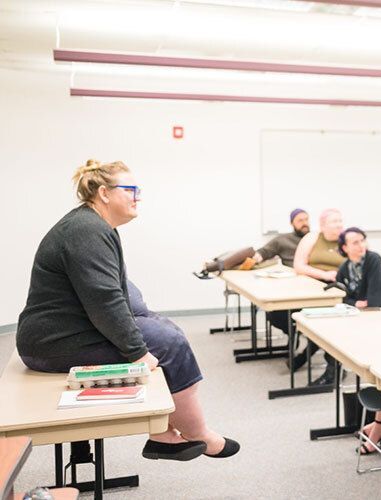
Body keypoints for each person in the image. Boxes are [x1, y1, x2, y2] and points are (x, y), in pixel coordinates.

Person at [17, 159, 238, 461]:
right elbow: (105, 299)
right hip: (52, 343)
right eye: (131, 189)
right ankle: (196, 433)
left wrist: (146, 318)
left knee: (163, 331)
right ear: (105, 193)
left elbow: (117, 289)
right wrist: (137, 351)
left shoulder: (94, 226)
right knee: (167, 343)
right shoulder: (86, 230)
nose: (138, 197)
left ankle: (161, 433)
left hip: (67, 333)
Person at [330, 227, 381, 453]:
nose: (360, 245)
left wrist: (353, 302)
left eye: (362, 240)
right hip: (358, 322)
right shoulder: (344, 267)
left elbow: (375, 300)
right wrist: (355, 302)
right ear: (344, 248)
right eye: (354, 242)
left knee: (378, 370)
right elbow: (341, 296)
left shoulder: (373, 260)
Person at [278, 208, 346, 375]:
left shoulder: (347, 240)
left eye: (340, 221)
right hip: (312, 286)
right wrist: (324, 274)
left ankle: (316, 361)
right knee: (309, 320)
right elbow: (299, 266)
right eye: (333, 222)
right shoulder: (312, 238)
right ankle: (308, 357)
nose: (338, 225)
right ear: (322, 225)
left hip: (340, 289)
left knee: (325, 323)